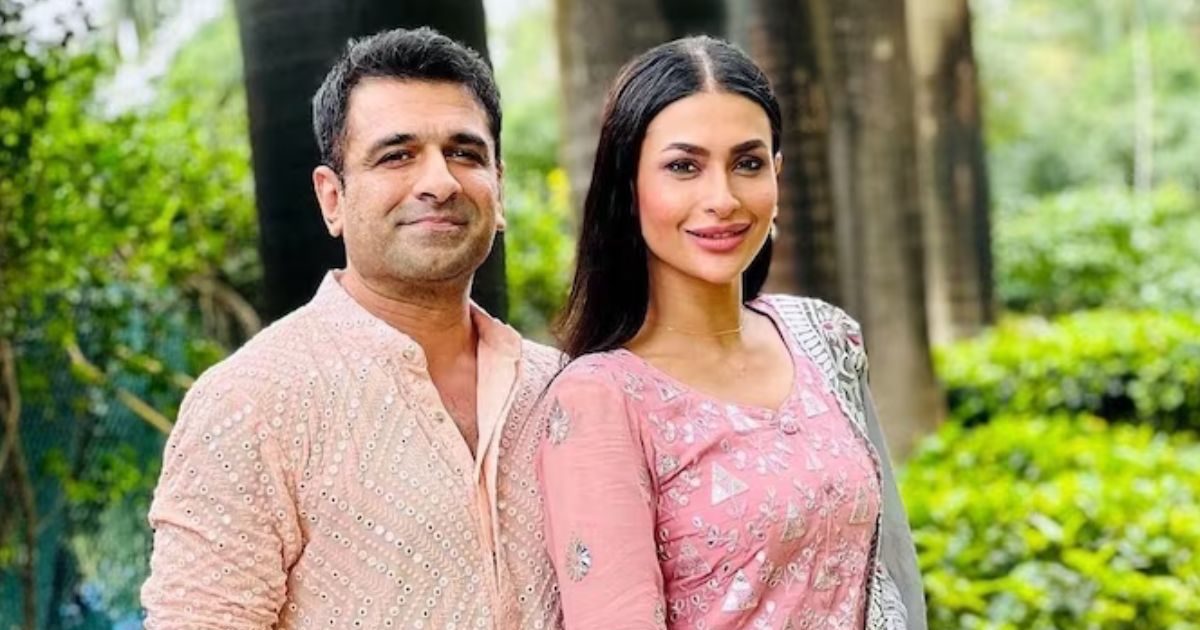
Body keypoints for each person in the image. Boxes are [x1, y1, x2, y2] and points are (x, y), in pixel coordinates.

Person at [142, 27, 562, 629]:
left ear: (499, 189)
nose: (440, 182)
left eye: (465, 154)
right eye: (397, 156)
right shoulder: (251, 402)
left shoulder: (560, 389)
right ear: (332, 198)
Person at [537, 36, 926, 630]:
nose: (721, 199)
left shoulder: (824, 338)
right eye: (683, 167)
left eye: (747, 164)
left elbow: (892, 572)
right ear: (628, 187)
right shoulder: (600, 397)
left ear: (778, 175)